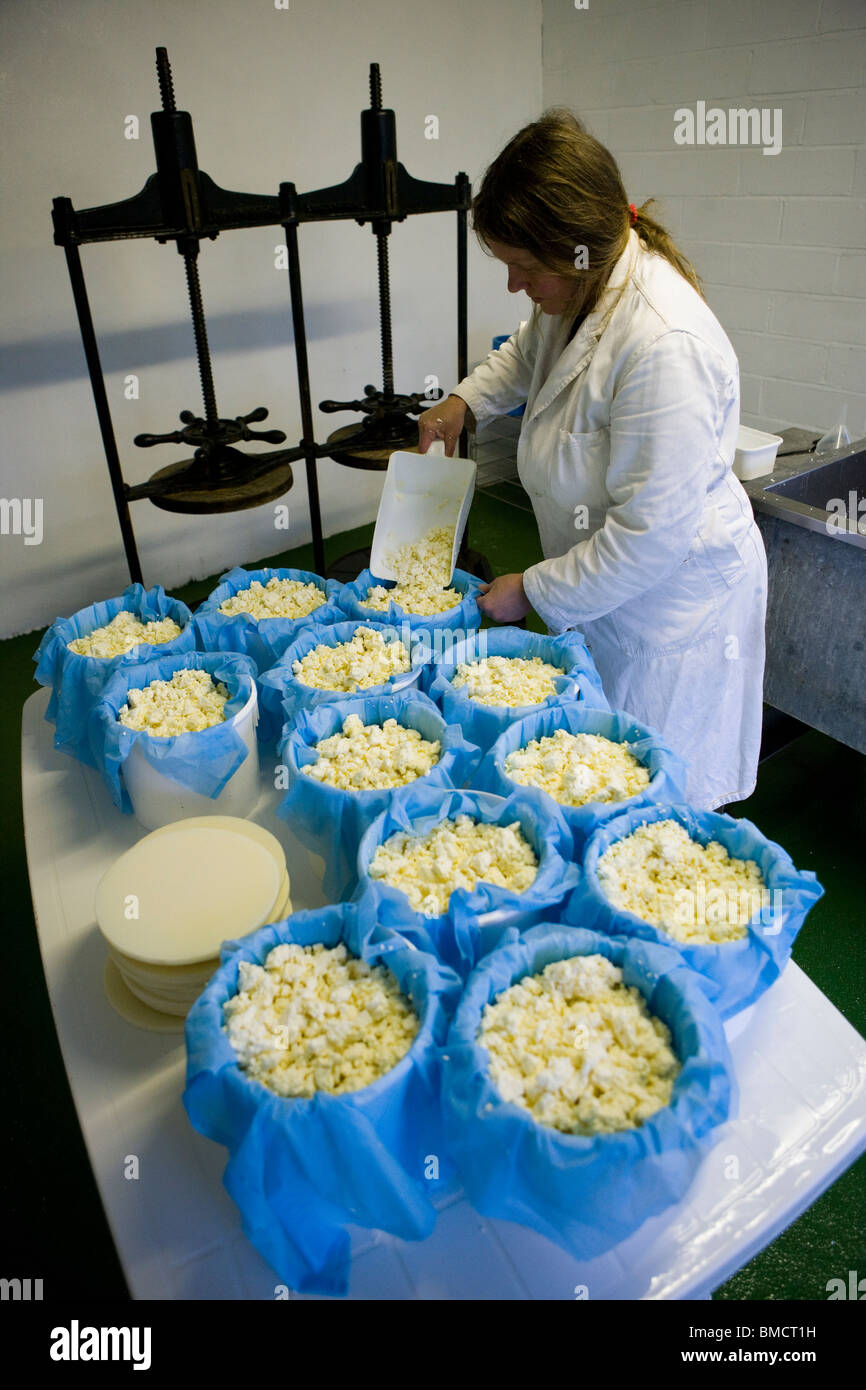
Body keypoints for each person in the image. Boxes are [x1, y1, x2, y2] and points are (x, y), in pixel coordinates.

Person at [418, 110, 767, 811]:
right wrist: (464, 402)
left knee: (660, 804)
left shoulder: (663, 343)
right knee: (603, 779)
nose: (515, 285)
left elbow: (650, 538)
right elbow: (525, 354)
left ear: (572, 246)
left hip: (671, 611)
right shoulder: (576, 289)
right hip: (609, 594)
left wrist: (533, 590)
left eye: (522, 266)